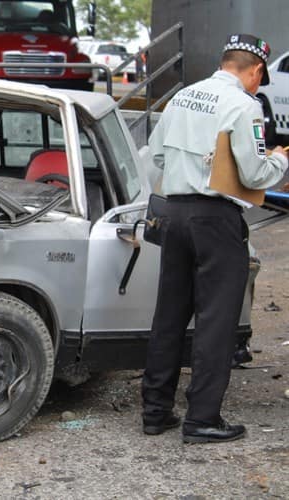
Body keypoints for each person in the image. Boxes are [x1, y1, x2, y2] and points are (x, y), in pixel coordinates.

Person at [141, 34, 288, 444]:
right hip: (216, 219)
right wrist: (280, 159)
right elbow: (255, 175)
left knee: (169, 315)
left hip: (173, 213)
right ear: (256, 70)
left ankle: (155, 412)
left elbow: (154, 156)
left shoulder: (183, 97)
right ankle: (202, 420)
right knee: (216, 322)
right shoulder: (244, 106)